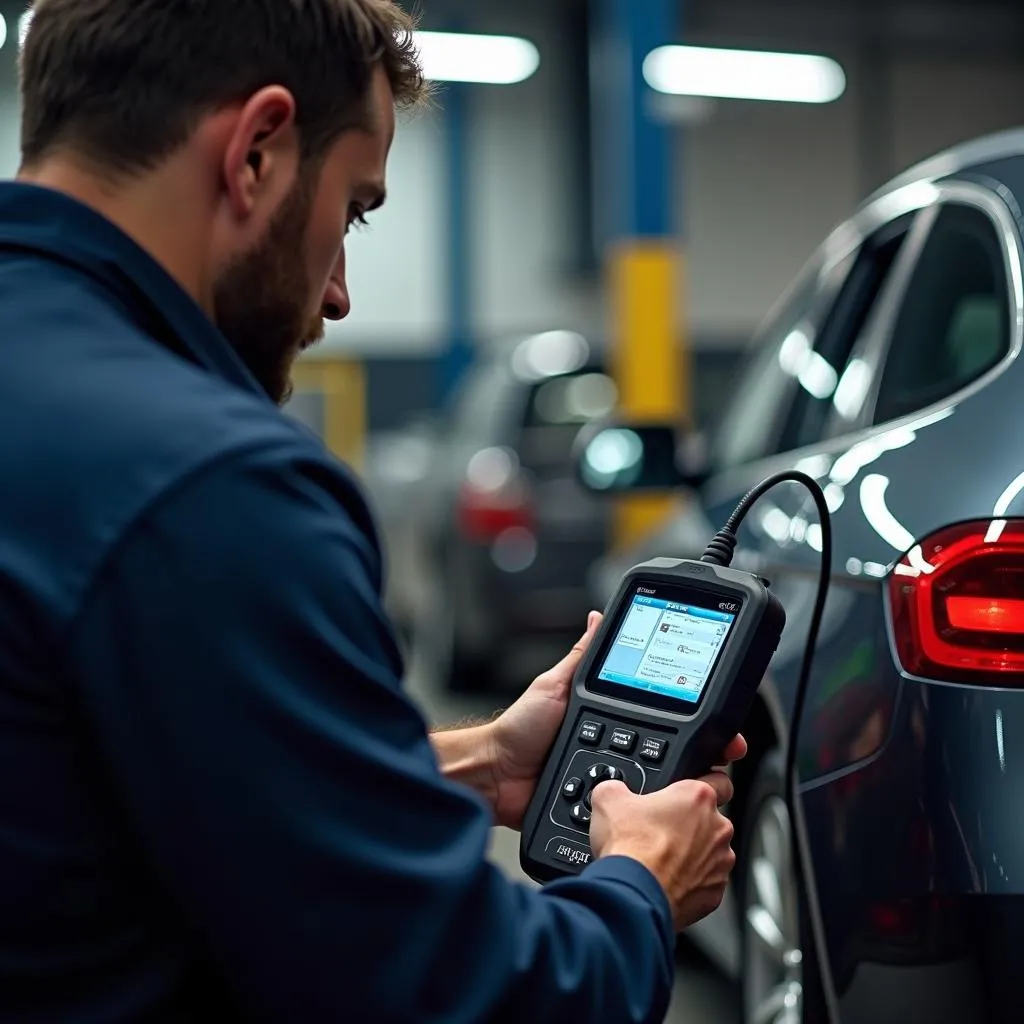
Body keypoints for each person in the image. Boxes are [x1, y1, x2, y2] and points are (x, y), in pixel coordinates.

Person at [0, 2, 744, 1022]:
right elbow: (465, 994)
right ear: (256, 151)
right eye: (352, 211)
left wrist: (477, 762)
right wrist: (641, 886)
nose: (340, 294)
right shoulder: (213, 484)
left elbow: (109, 782)